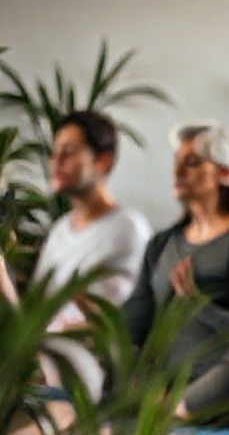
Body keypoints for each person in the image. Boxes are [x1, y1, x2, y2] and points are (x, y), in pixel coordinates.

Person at [123, 122, 229, 418]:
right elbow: (135, 321)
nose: (177, 171)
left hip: (215, 378)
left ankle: (170, 406)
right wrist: (98, 321)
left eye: (192, 162)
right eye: (177, 162)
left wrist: (198, 305)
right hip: (160, 378)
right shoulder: (162, 243)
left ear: (226, 173)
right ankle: (160, 402)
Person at [32, 111, 152, 401]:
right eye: (54, 152)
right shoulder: (60, 231)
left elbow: (131, 321)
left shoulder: (128, 228)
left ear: (103, 161)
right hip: (45, 363)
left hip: (94, 375)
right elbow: (36, 312)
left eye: (69, 151)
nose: (56, 161)